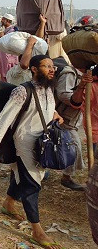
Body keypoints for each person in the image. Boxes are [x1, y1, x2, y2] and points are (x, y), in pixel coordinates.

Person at [0, 55, 64, 249]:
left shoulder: (48, 88)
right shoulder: (22, 91)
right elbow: (4, 119)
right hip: (25, 143)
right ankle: (37, 231)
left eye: (52, 67)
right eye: (47, 66)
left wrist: (55, 115)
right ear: (34, 69)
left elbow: (46, 109)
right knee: (32, 185)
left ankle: (8, 203)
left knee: (25, 175)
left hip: (42, 143)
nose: (52, 70)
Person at [53, 56, 93, 191]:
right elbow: (64, 94)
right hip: (62, 118)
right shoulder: (69, 73)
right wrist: (79, 92)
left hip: (71, 119)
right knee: (73, 146)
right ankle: (66, 178)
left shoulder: (85, 74)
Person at [0, 14, 19, 82]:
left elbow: (8, 43)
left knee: (8, 75)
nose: (1, 21)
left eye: (3, 19)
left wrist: (2, 37)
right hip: (4, 57)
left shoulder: (12, 31)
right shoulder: (6, 31)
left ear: (7, 20)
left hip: (9, 58)